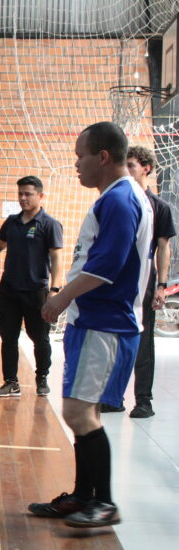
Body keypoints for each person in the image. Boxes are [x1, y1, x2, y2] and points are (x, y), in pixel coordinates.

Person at [32, 122, 152, 528]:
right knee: (78, 412)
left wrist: (61, 297)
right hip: (94, 322)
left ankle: (104, 502)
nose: (76, 165)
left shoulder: (121, 200)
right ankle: (84, 496)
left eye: (81, 156)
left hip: (107, 324)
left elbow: (107, 267)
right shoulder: (114, 198)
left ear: (103, 157)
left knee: (82, 413)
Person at [0, 176, 64, 398]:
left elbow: (57, 259)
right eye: (20, 193)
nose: (23, 198)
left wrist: (55, 290)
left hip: (36, 291)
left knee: (39, 337)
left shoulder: (49, 225)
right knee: (8, 338)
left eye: (28, 194)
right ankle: (11, 382)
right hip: (8, 290)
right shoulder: (11, 222)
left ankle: (42, 378)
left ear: (40, 196)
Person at [99, 145, 174, 417]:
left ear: (146, 168)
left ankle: (144, 400)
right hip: (115, 281)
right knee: (113, 340)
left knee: (142, 342)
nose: (127, 170)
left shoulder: (159, 207)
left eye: (132, 165)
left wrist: (162, 285)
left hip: (143, 283)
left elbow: (164, 247)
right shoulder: (116, 201)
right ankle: (113, 397)